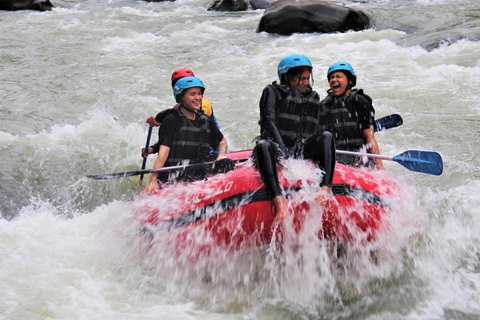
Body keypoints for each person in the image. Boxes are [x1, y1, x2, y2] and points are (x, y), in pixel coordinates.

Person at [254, 54, 336, 219]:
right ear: (287, 77)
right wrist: (282, 152)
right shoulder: (271, 91)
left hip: (300, 149)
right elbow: (270, 122)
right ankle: (277, 198)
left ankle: (326, 188)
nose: (305, 82)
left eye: (307, 78)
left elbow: (318, 128)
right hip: (277, 148)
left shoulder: (313, 98)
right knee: (262, 145)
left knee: (327, 136)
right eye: (301, 79)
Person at [147, 76, 232, 193]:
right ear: (181, 97)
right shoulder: (171, 120)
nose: (198, 98)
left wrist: (221, 155)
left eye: (199, 94)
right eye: (193, 94)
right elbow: (164, 152)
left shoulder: (205, 120)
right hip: (175, 173)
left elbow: (222, 141)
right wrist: (153, 179)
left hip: (198, 168)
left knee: (226, 164)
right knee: (202, 169)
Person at [142, 68, 219, 158]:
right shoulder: (178, 109)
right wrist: (153, 149)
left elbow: (192, 130)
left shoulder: (203, 103)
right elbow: (172, 135)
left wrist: (161, 119)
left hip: (209, 149)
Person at [321, 62, 384, 169]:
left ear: (349, 80)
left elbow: (369, 135)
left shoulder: (358, 101)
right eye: (331, 77)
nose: (334, 80)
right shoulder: (324, 105)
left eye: (338, 77)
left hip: (359, 159)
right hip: (336, 160)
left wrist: (380, 166)